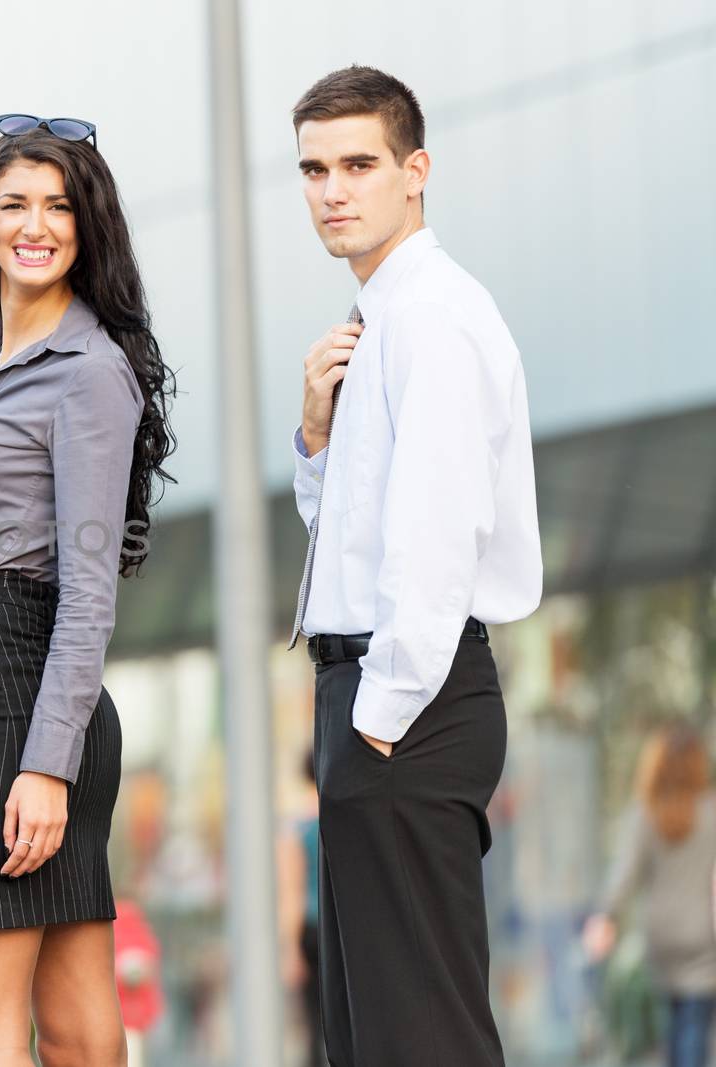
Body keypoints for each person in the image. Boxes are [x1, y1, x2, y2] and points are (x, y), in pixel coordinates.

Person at [288, 66, 542, 1066]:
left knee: (417, 1037)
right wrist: (314, 435)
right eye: (312, 168)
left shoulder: (430, 314)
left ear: (415, 170)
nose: (332, 190)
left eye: (358, 163)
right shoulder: (377, 321)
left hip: (406, 705)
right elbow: (353, 534)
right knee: (371, 1037)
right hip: (377, 698)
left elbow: (436, 536)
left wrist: (381, 713)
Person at [0, 114, 175, 1067]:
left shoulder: (89, 371)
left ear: (87, 227)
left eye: (59, 206)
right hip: (17, 710)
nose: (35, 223)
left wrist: (43, 764)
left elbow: (89, 587)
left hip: (19, 718)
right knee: (78, 1038)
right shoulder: (6, 354)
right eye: (15, 201)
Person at [584, 724, 716, 1067]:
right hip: (703, 940)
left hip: (659, 939)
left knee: (670, 1032)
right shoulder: (711, 813)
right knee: (695, 1029)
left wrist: (606, 916)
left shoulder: (645, 814)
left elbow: (623, 876)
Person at [277, 751, 325, 1067]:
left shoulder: (297, 828)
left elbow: (291, 892)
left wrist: (290, 950)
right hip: (345, 929)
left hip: (310, 929)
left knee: (314, 1023)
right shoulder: (344, 819)